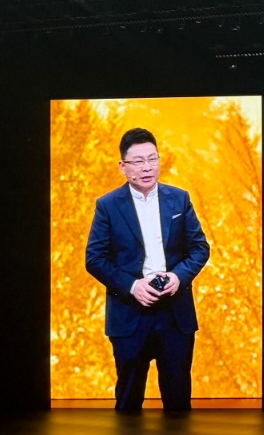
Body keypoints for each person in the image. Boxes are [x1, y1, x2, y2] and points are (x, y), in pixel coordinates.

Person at [84, 127, 210, 412]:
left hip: (175, 313)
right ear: (123, 167)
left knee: (178, 401)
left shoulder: (180, 199)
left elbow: (200, 248)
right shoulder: (107, 206)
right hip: (130, 314)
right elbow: (95, 259)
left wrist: (178, 276)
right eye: (138, 161)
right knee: (128, 400)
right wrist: (133, 286)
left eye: (152, 159)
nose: (147, 167)